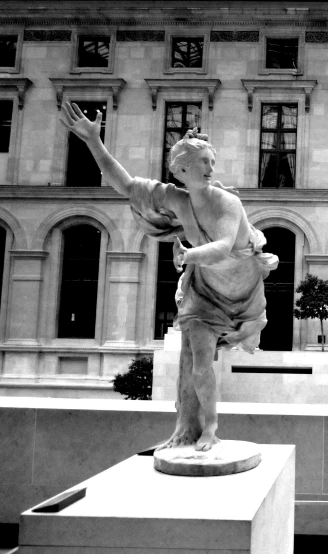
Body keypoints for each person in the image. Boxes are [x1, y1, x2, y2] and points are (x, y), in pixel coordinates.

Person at [61, 102, 278, 453]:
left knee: (201, 358)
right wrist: (92, 141)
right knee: (196, 361)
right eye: (203, 162)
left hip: (241, 286)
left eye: (211, 161)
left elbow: (223, 247)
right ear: (182, 169)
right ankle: (198, 428)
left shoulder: (227, 204)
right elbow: (125, 184)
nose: (210, 168)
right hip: (205, 288)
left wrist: (188, 255)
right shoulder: (174, 199)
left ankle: (201, 429)